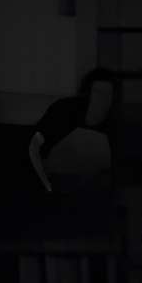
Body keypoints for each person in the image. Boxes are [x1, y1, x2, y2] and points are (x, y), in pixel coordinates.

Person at [25, 69, 121, 198]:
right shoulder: (64, 111)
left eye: (108, 94)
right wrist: (47, 186)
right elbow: (33, 146)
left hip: (91, 192)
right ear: (87, 94)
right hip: (52, 185)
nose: (102, 99)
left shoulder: (113, 126)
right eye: (98, 92)